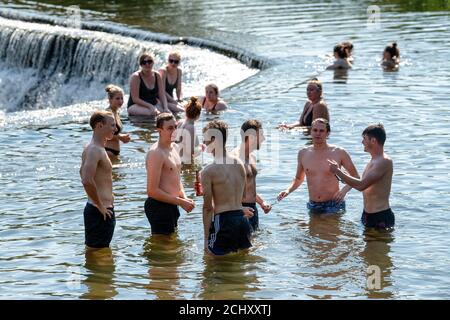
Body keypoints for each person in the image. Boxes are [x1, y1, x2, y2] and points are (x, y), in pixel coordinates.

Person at [277, 118, 359, 214]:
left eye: (321, 131)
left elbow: (356, 176)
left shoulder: (339, 152)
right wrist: (287, 190)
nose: (318, 133)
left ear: (327, 133)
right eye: (315, 130)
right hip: (313, 204)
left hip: (334, 204)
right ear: (311, 132)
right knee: (314, 229)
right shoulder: (303, 153)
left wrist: (344, 191)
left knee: (328, 228)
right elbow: (298, 179)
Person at [201, 120, 253, 255]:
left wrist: (206, 240)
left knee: (212, 261)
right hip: (242, 221)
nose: (204, 143)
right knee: (241, 265)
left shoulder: (208, 171)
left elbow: (207, 208)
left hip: (224, 222)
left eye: (206, 139)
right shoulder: (239, 163)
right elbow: (243, 197)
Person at [328, 123, 394, 229]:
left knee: (376, 245)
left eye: (364, 138)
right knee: (368, 245)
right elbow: (361, 183)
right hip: (368, 214)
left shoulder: (384, 161)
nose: (362, 142)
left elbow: (361, 186)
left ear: (373, 141)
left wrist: (338, 172)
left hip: (380, 216)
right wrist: (342, 175)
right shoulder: (373, 160)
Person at [145, 113, 195, 235]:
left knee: (172, 243)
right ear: (159, 130)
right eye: (170, 128)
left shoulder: (175, 147)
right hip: (159, 206)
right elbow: (152, 191)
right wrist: (181, 202)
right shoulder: (156, 153)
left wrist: (183, 197)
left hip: (173, 203)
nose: (174, 131)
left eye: (175, 127)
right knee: (164, 247)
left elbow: (176, 178)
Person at [80, 111, 117, 249]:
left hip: (101, 210)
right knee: (97, 255)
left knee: (101, 254)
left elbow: (81, 173)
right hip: (99, 212)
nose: (115, 128)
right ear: (99, 126)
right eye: (112, 125)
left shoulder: (93, 148)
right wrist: (100, 205)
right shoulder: (94, 150)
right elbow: (86, 180)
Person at [231, 119, 271, 232]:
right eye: (261, 135)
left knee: (252, 246)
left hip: (252, 209)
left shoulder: (252, 157)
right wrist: (240, 209)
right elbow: (225, 191)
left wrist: (262, 202)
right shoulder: (234, 159)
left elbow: (247, 187)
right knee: (241, 248)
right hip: (240, 211)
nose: (263, 139)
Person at [127, 52, 169, 117]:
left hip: (153, 103)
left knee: (167, 114)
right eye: (144, 62)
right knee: (154, 114)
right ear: (141, 65)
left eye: (149, 61)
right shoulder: (136, 77)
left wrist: (166, 108)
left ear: (153, 62)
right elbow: (135, 99)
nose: (147, 64)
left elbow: (162, 94)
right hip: (135, 105)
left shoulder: (157, 75)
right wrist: (150, 106)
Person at [174, 96, 204, 164]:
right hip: (186, 162)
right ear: (198, 115)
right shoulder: (191, 127)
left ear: (186, 111)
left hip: (178, 159)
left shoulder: (180, 122)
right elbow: (190, 151)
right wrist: (200, 148)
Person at [104, 84, 131, 157]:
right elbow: (104, 134)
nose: (120, 101)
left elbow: (114, 133)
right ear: (110, 99)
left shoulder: (116, 112)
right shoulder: (108, 113)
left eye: (122, 98)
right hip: (108, 151)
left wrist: (123, 137)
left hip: (114, 152)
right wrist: (120, 137)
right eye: (117, 98)